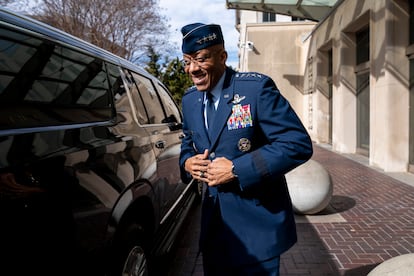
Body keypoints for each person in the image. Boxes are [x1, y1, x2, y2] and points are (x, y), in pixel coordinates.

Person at [179, 22, 313, 275]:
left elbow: (297, 143)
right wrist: (187, 162)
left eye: (200, 59)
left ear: (222, 56)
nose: (192, 69)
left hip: (256, 227)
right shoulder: (190, 100)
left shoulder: (255, 89)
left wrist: (237, 169)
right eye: (186, 61)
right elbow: (188, 142)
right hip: (215, 229)